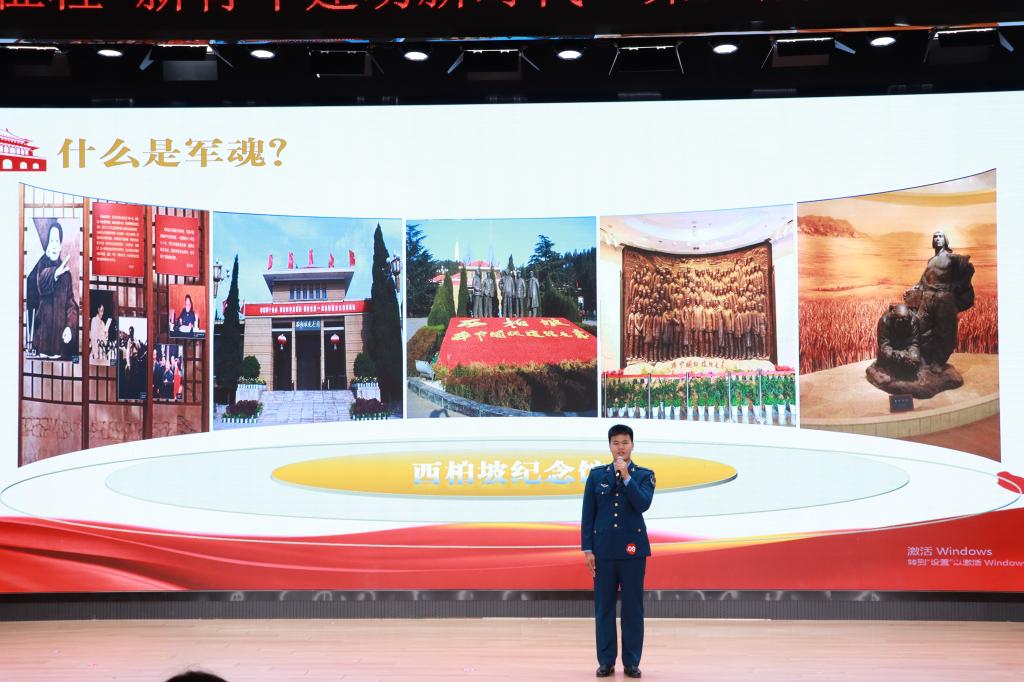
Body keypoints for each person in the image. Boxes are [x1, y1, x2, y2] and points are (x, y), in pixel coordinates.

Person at [581, 424, 656, 679]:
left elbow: (643, 504)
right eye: (616, 443)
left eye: (625, 443)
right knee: (604, 608)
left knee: (632, 609)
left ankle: (632, 662)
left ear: (632, 445)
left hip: (633, 552)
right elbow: (588, 515)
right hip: (603, 552)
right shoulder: (596, 476)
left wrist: (626, 477)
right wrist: (588, 549)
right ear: (610, 446)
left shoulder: (644, 475)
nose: (620, 447)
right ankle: (606, 661)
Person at [31, 221, 79, 359]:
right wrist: (55, 273)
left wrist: (70, 327)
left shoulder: (66, 275)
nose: (53, 245)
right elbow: (41, 284)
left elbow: (71, 305)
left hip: (59, 347)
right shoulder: (41, 266)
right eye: (51, 241)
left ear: (60, 246)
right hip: (40, 344)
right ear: (47, 245)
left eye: (56, 241)